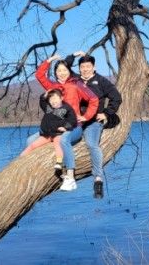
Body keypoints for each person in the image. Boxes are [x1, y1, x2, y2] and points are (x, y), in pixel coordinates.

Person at [33, 54, 99, 191]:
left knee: (64, 140)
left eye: (64, 70)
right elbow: (39, 75)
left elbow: (94, 99)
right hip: (55, 128)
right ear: (55, 73)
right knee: (30, 142)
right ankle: (52, 175)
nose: (62, 73)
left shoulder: (76, 85)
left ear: (69, 71)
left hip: (74, 126)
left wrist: (86, 116)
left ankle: (70, 177)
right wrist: (49, 61)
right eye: (59, 70)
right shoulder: (52, 87)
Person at [73, 51, 122, 199]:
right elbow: (63, 68)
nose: (85, 69)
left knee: (92, 144)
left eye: (88, 66)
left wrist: (106, 113)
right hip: (76, 120)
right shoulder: (75, 81)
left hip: (93, 122)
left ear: (93, 67)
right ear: (79, 68)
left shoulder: (101, 81)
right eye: (82, 66)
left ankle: (98, 179)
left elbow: (116, 98)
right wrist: (76, 55)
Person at [19, 89, 77, 172]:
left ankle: (59, 162)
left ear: (61, 98)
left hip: (58, 133)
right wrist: (43, 96)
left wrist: (66, 127)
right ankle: (21, 157)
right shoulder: (48, 108)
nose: (53, 101)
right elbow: (42, 102)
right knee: (33, 145)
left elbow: (72, 120)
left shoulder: (67, 108)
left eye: (55, 98)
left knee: (58, 144)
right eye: (51, 100)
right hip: (47, 134)